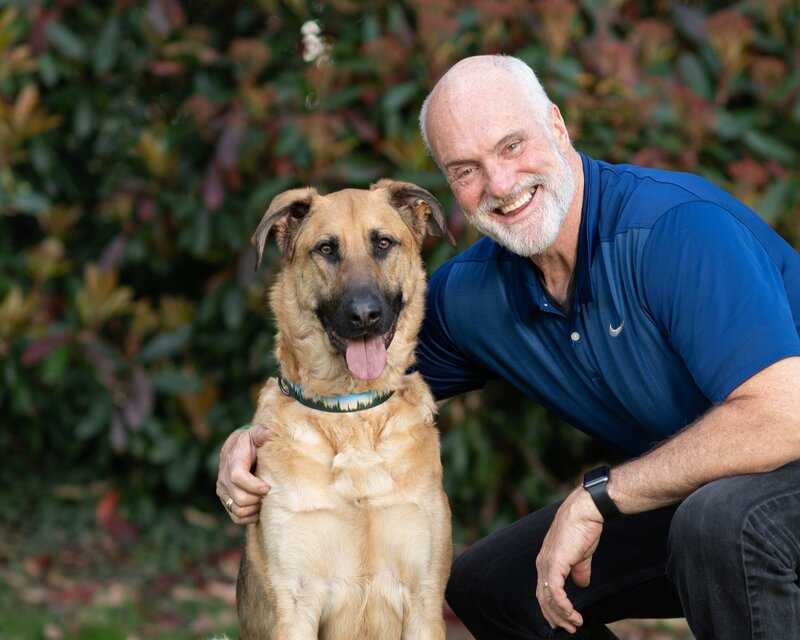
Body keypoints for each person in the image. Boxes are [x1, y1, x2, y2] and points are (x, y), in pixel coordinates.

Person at [216, 55, 800, 639]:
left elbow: (782, 415)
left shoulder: (675, 231)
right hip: (702, 491)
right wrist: (254, 442)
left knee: (720, 522)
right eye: (466, 170)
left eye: (512, 146)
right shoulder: (472, 293)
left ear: (558, 125)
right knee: (492, 584)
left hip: (771, 472)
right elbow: (353, 383)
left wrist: (601, 496)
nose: (499, 185)